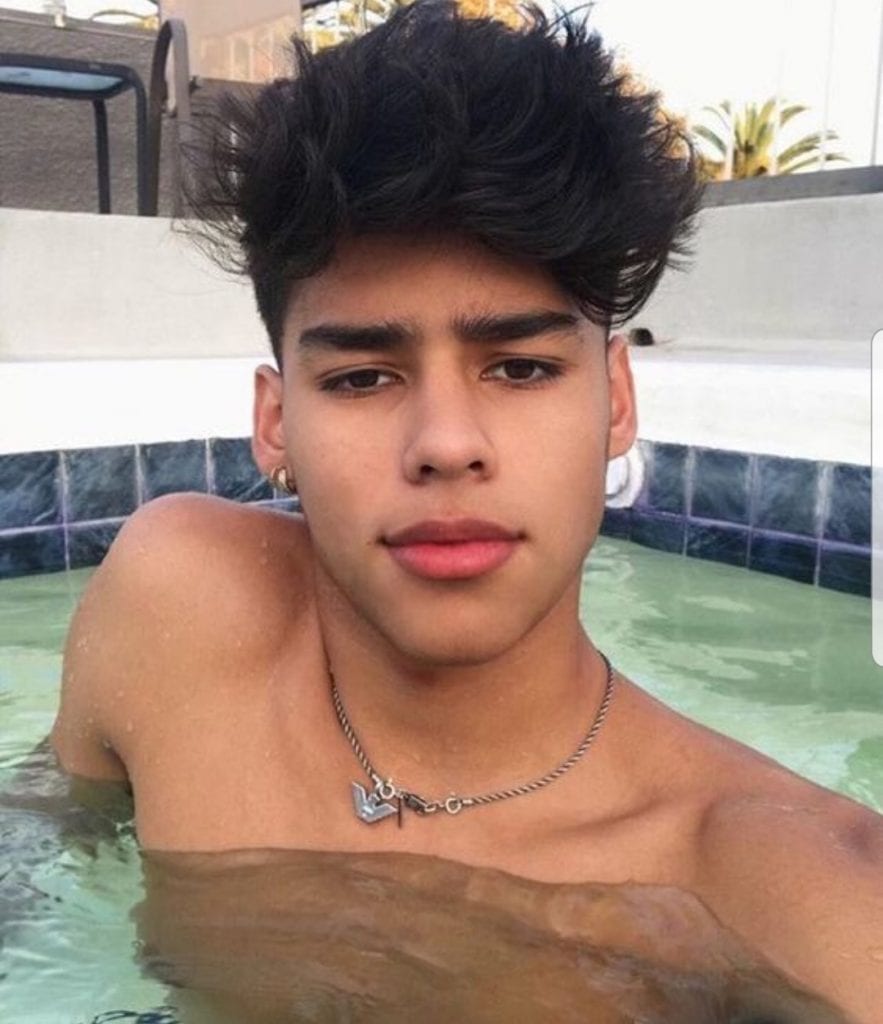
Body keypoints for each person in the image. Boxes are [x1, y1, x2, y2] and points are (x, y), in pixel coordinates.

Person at [50, 3, 882, 1021]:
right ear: (274, 425)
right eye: (361, 377)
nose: (446, 443)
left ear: (616, 402)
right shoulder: (175, 611)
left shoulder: (785, 894)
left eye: (520, 367)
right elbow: (50, 842)